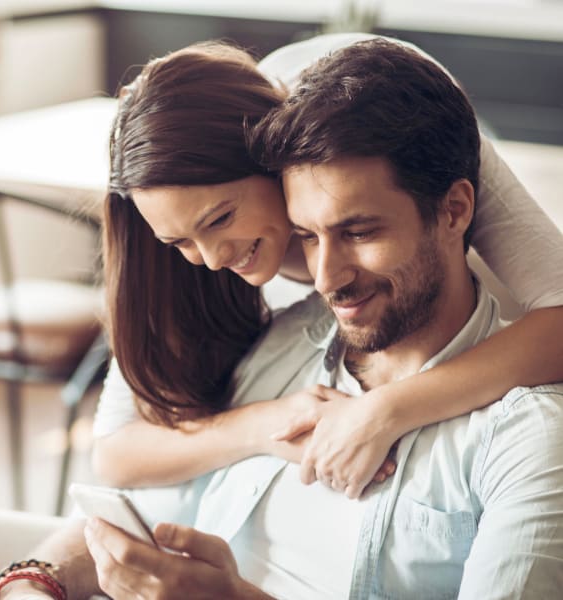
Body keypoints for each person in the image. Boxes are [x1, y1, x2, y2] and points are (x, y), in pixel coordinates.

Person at [0, 37, 563, 599]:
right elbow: (126, 474)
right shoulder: (274, 345)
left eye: (358, 231)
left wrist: (387, 409)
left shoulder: (518, 439)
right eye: (307, 237)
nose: (324, 279)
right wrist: (33, 580)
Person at [92, 33, 563, 499]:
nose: (212, 260)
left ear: (274, 158)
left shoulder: (385, 113)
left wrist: (387, 410)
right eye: (178, 241)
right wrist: (261, 425)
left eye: (221, 218)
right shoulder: (171, 208)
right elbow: (114, 452)